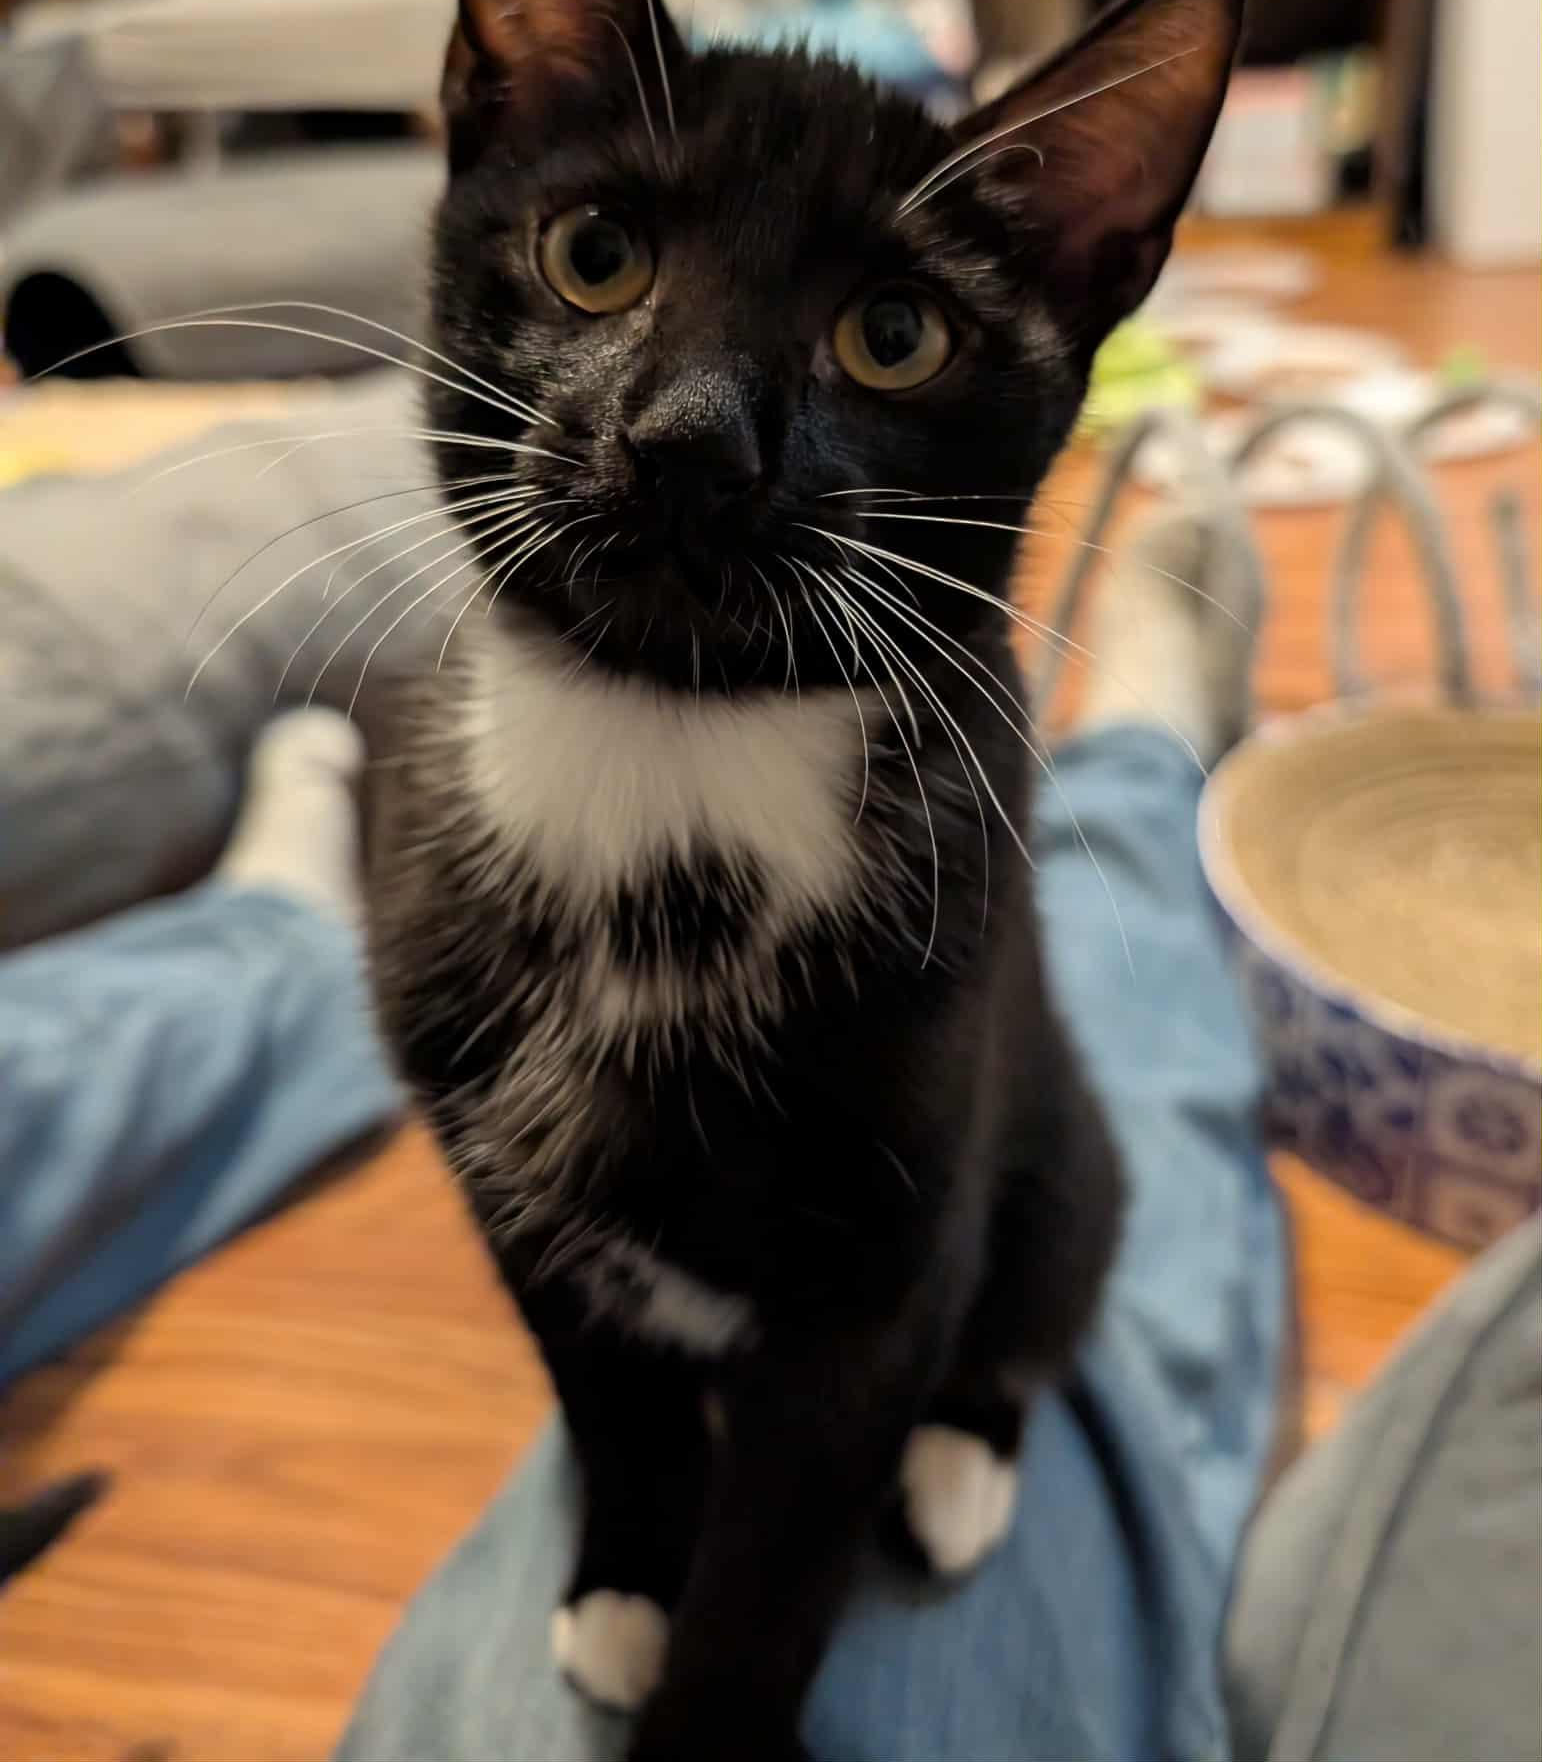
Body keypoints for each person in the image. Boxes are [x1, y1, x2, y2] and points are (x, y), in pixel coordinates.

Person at [1, 414, 1535, 1762]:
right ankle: (1142, 741)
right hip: (680, 1162)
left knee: (1074, 1113)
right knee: (1138, 1025)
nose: (688, 414)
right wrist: (635, 1484)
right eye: (596, 259)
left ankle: (1140, 744)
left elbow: (891, 1289)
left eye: (887, 336)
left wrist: (770, 1634)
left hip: (947, 1223)